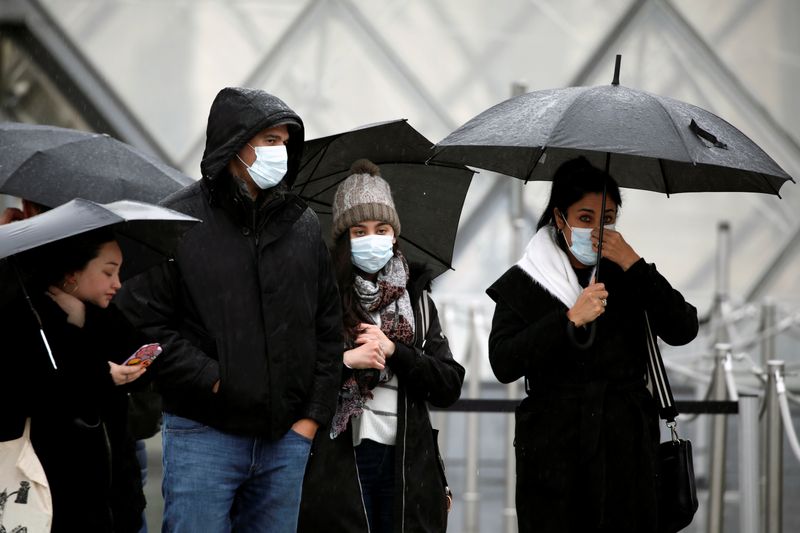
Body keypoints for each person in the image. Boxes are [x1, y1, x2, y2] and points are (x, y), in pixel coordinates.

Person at [115, 87, 343, 533]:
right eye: (269, 141)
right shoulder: (178, 222)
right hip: (204, 433)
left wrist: (310, 419)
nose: (280, 152)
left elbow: (327, 328)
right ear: (234, 147)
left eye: (284, 142)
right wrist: (213, 378)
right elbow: (141, 320)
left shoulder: (302, 225)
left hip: (285, 440)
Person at [485, 156, 699, 533]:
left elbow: (683, 328)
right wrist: (568, 320)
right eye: (585, 218)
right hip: (555, 451)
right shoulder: (526, 279)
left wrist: (634, 263)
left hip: (626, 449)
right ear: (559, 218)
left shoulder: (628, 274)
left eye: (609, 219)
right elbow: (504, 362)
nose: (598, 229)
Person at [298, 159, 465, 533]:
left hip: (408, 462)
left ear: (394, 234)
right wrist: (346, 360)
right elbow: (295, 374)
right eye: (360, 231)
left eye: (381, 228)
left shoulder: (418, 301)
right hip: (341, 462)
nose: (373, 238)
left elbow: (448, 383)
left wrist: (395, 351)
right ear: (344, 239)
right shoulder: (321, 298)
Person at [1, 228, 149, 533]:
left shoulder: (106, 316)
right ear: (73, 273)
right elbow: (49, 392)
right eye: (109, 272)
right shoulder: (29, 317)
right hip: (55, 497)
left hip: (115, 497)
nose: (117, 283)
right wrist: (100, 373)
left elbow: (142, 360)